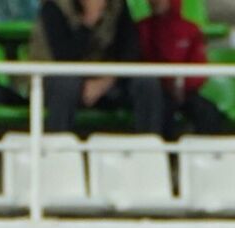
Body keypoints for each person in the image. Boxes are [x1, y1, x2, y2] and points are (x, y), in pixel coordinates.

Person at [28, 0, 164, 134]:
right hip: (57, 80)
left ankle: (149, 147)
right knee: (66, 85)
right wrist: (89, 20)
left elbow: (130, 52)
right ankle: (58, 148)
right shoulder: (54, 6)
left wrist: (105, 82)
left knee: (147, 83)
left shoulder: (117, 5)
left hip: (106, 80)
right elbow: (65, 57)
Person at [136, 0, 224, 139]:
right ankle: (164, 157)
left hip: (185, 91)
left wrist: (181, 85)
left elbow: (199, 67)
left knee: (208, 111)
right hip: (155, 92)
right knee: (161, 110)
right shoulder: (141, 29)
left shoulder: (190, 30)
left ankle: (208, 156)